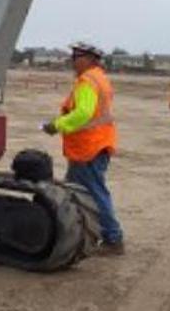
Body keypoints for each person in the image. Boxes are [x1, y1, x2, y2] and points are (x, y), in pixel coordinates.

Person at [41, 42, 124, 254]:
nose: (73, 61)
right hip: (94, 145)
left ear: (88, 59)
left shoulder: (88, 81)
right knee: (74, 192)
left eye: (76, 57)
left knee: (93, 193)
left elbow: (83, 113)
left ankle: (113, 238)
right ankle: (80, 235)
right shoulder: (100, 78)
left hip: (89, 148)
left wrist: (57, 125)